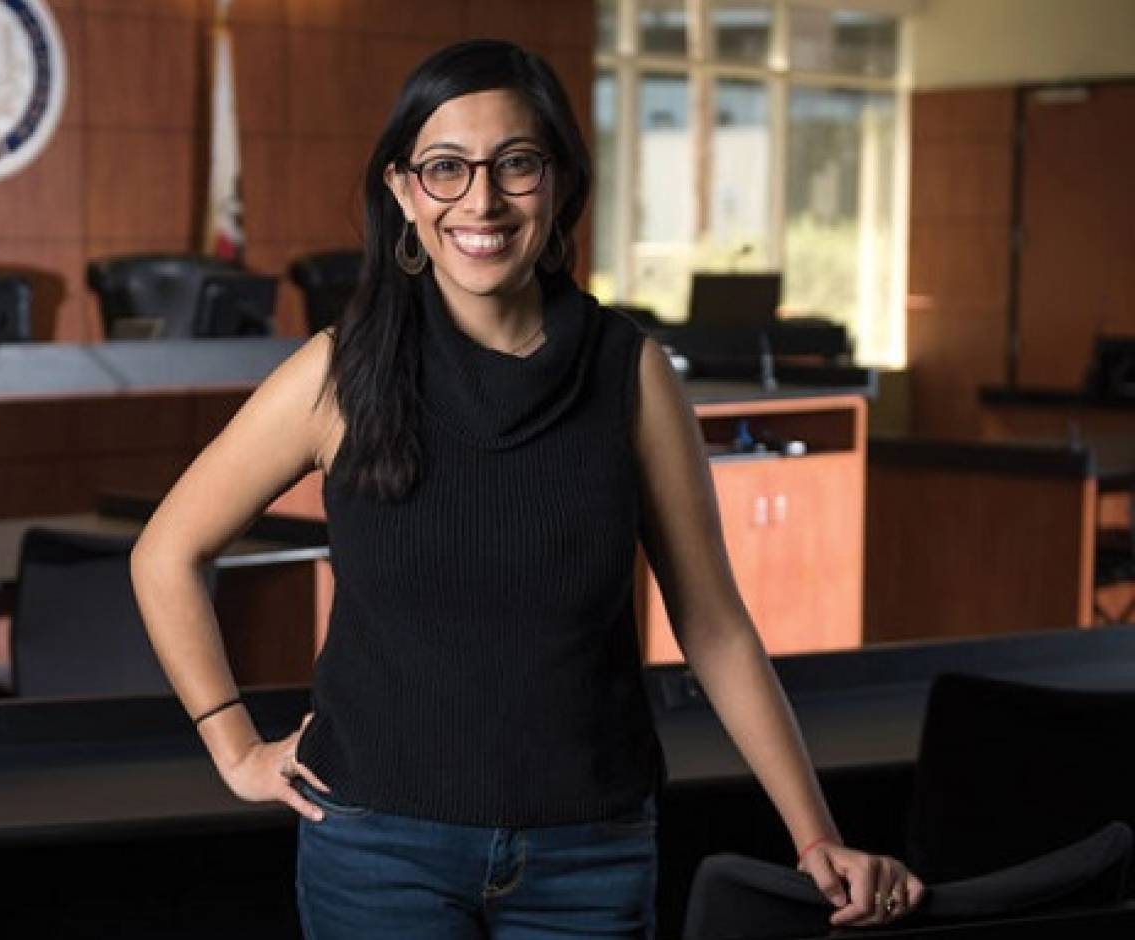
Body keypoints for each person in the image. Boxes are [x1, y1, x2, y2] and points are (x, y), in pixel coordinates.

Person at [130, 38, 923, 939]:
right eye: (445, 168)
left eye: (515, 163)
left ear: (559, 185)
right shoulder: (341, 373)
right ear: (402, 191)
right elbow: (166, 551)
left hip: (590, 858)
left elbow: (713, 623)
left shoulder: (632, 374)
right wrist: (232, 745)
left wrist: (816, 837)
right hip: (379, 852)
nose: (481, 199)